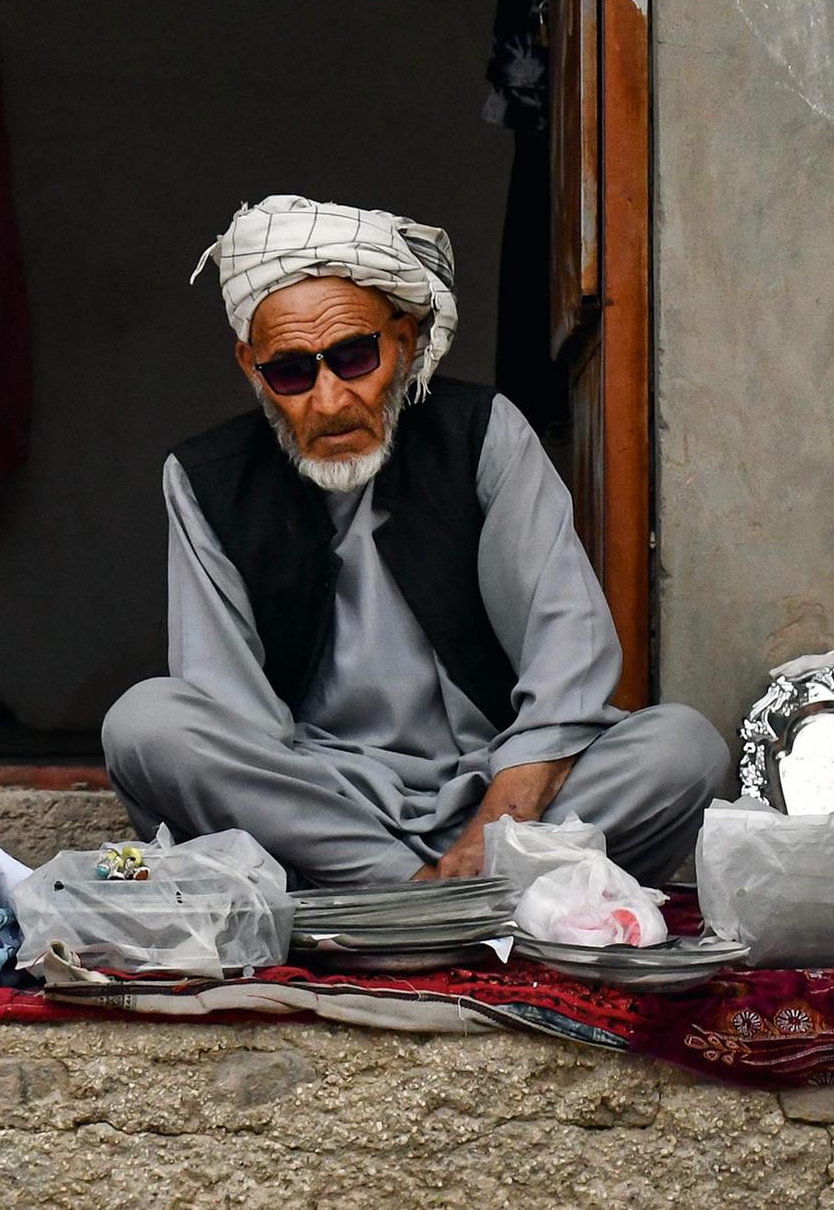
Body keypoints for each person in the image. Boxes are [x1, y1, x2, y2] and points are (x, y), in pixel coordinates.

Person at [103, 195, 730, 887]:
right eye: (291, 372)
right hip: (324, 809)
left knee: (681, 747)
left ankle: (417, 906)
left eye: (353, 356)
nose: (330, 399)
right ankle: (424, 897)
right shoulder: (205, 479)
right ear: (252, 369)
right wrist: (363, 848)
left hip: (496, 792)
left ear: (402, 341)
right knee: (145, 725)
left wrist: (497, 826)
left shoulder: (481, 433)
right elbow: (231, 721)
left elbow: (567, 657)